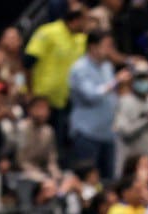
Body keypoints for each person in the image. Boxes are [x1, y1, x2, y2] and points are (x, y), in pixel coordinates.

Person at [68, 31, 121, 177]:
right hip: (87, 133)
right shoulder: (79, 68)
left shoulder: (107, 67)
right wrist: (115, 82)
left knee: (108, 181)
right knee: (88, 179)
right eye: (107, 46)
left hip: (107, 134)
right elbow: (91, 95)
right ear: (93, 47)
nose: (110, 50)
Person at [24, 8, 88, 116]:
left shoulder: (81, 39)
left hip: (63, 101)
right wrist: (30, 92)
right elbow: (28, 62)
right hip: (40, 99)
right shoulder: (48, 32)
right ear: (76, 20)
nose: (87, 24)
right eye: (85, 20)